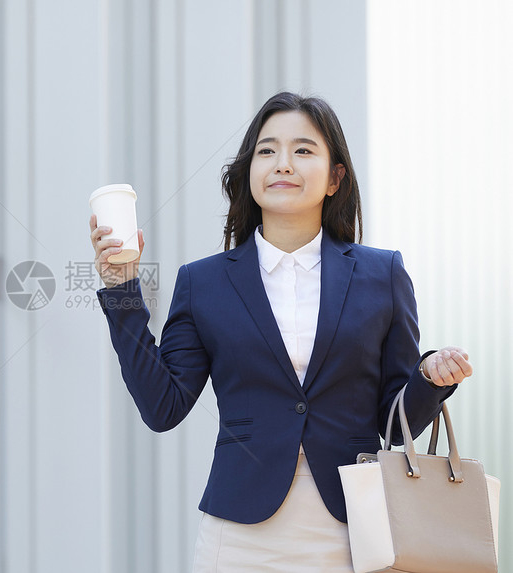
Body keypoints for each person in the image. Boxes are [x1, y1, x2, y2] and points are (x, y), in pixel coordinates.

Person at [88, 92, 473, 572]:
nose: (282, 163)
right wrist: (123, 290)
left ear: (335, 178)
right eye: (266, 151)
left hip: (356, 529)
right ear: (249, 174)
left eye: (304, 150)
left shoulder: (383, 274)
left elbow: (396, 425)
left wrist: (430, 381)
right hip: (240, 537)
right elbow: (162, 407)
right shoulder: (203, 282)